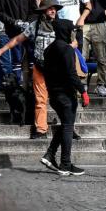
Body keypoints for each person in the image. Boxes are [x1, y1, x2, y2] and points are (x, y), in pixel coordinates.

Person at [0, 0, 64, 140]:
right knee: (40, 100)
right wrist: (1, 50)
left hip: (57, 69)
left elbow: (73, 43)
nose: (52, 11)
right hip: (40, 68)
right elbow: (18, 39)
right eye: (49, 8)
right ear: (43, 11)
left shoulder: (63, 25)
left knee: (62, 99)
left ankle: (68, 127)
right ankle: (41, 129)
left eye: (54, 8)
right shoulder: (35, 25)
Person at [39, 18, 89, 176]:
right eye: (71, 31)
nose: (73, 33)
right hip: (66, 95)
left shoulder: (49, 49)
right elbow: (71, 74)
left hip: (54, 95)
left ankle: (50, 155)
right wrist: (83, 91)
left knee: (65, 125)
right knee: (68, 127)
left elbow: (45, 73)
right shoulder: (66, 49)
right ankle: (65, 164)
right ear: (66, 32)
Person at [0, 0, 32, 124]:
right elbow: (0, 12)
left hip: (28, 30)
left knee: (27, 60)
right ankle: (16, 83)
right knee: (15, 58)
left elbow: (34, 10)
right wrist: (13, 22)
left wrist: (28, 22)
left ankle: (26, 85)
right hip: (12, 30)